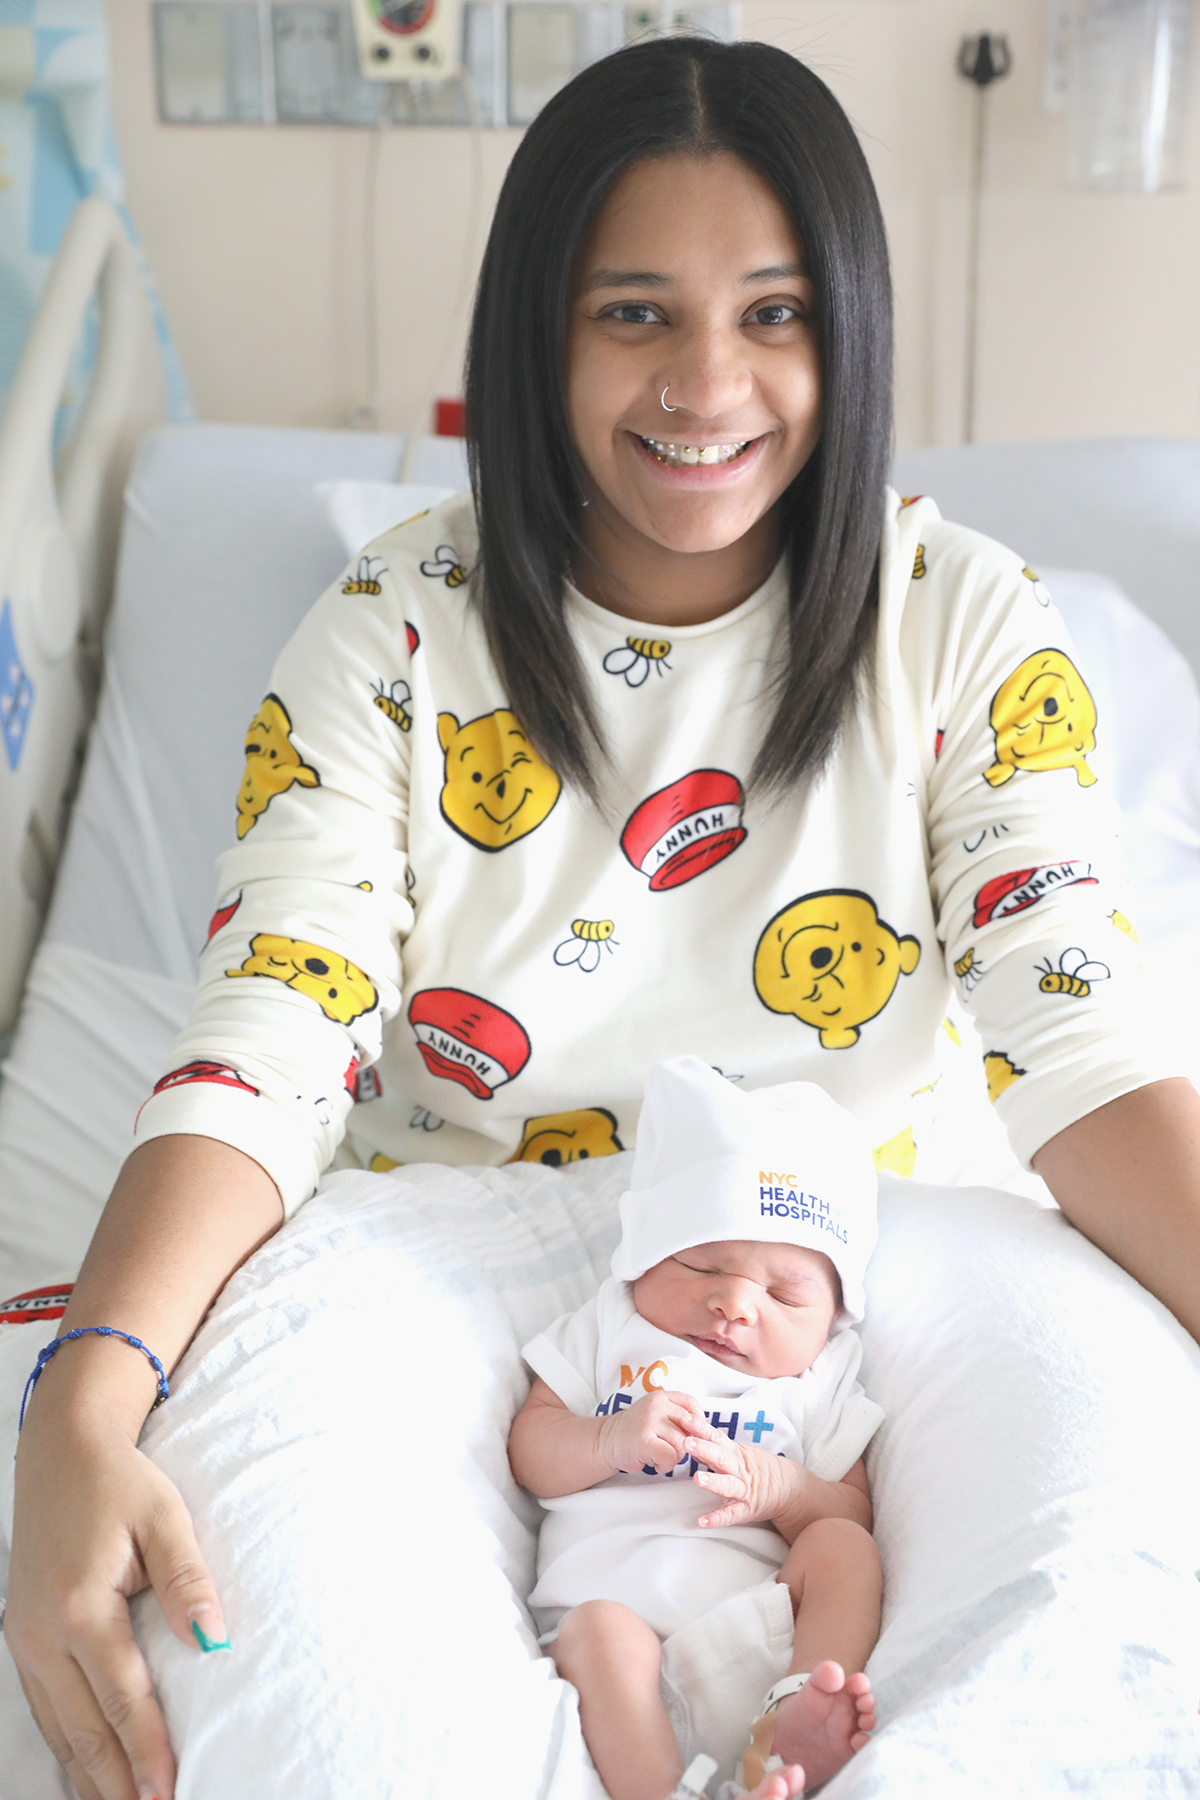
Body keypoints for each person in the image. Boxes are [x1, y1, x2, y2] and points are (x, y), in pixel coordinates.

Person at [5, 33, 1200, 1800]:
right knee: (287, 1710)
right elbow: (274, 1025)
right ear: (538, 331)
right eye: (634, 311)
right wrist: (88, 1403)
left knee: (1119, 1645)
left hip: (861, 1251)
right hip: (445, 1240)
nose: (708, 381)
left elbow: (1082, 1039)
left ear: (849, 330)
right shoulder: (391, 634)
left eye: (776, 313)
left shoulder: (965, 622)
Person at [509, 1057, 885, 1799]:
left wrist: (783, 1488)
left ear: (834, 1315)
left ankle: (789, 1729)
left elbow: (851, 1512)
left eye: (785, 1294)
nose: (736, 1305)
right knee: (602, 1631)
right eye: (703, 1264)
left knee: (843, 1549)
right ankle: (659, 1789)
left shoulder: (822, 1374)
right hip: (611, 1633)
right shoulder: (611, 1324)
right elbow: (530, 1450)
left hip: (760, 1625)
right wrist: (604, 1441)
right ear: (645, 1259)